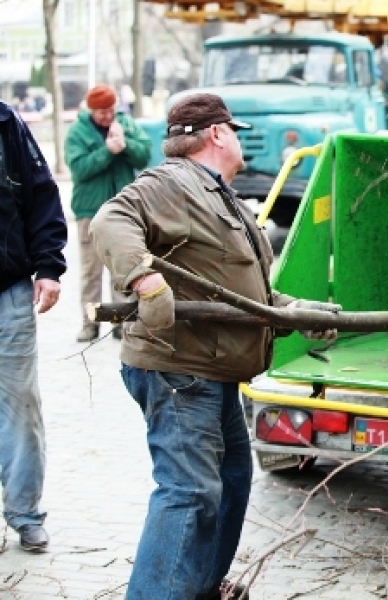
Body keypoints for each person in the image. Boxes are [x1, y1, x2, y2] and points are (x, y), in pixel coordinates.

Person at [90, 92, 331, 599]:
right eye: (235, 131)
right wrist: (145, 281)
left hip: (213, 370)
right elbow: (110, 221)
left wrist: (294, 310)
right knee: (190, 492)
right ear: (218, 133)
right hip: (181, 370)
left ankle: (198, 588)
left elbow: (242, 292)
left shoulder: (216, 194)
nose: (240, 141)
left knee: (231, 482)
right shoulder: (171, 182)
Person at [0, 100, 67, 552]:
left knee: (20, 404)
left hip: (8, 290)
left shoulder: (6, 123)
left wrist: (48, 267)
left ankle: (25, 513)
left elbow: (41, 195)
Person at [65, 83, 151, 343]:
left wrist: (125, 145)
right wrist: (107, 152)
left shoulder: (126, 124)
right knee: (91, 271)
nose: (106, 116)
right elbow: (78, 167)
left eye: (110, 110)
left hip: (122, 210)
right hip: (89, 210)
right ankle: (89, 324)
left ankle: (121, 322)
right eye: (101, 112)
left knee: (123, 269)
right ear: (90, 110)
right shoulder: (77, 132)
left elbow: (145, 154)